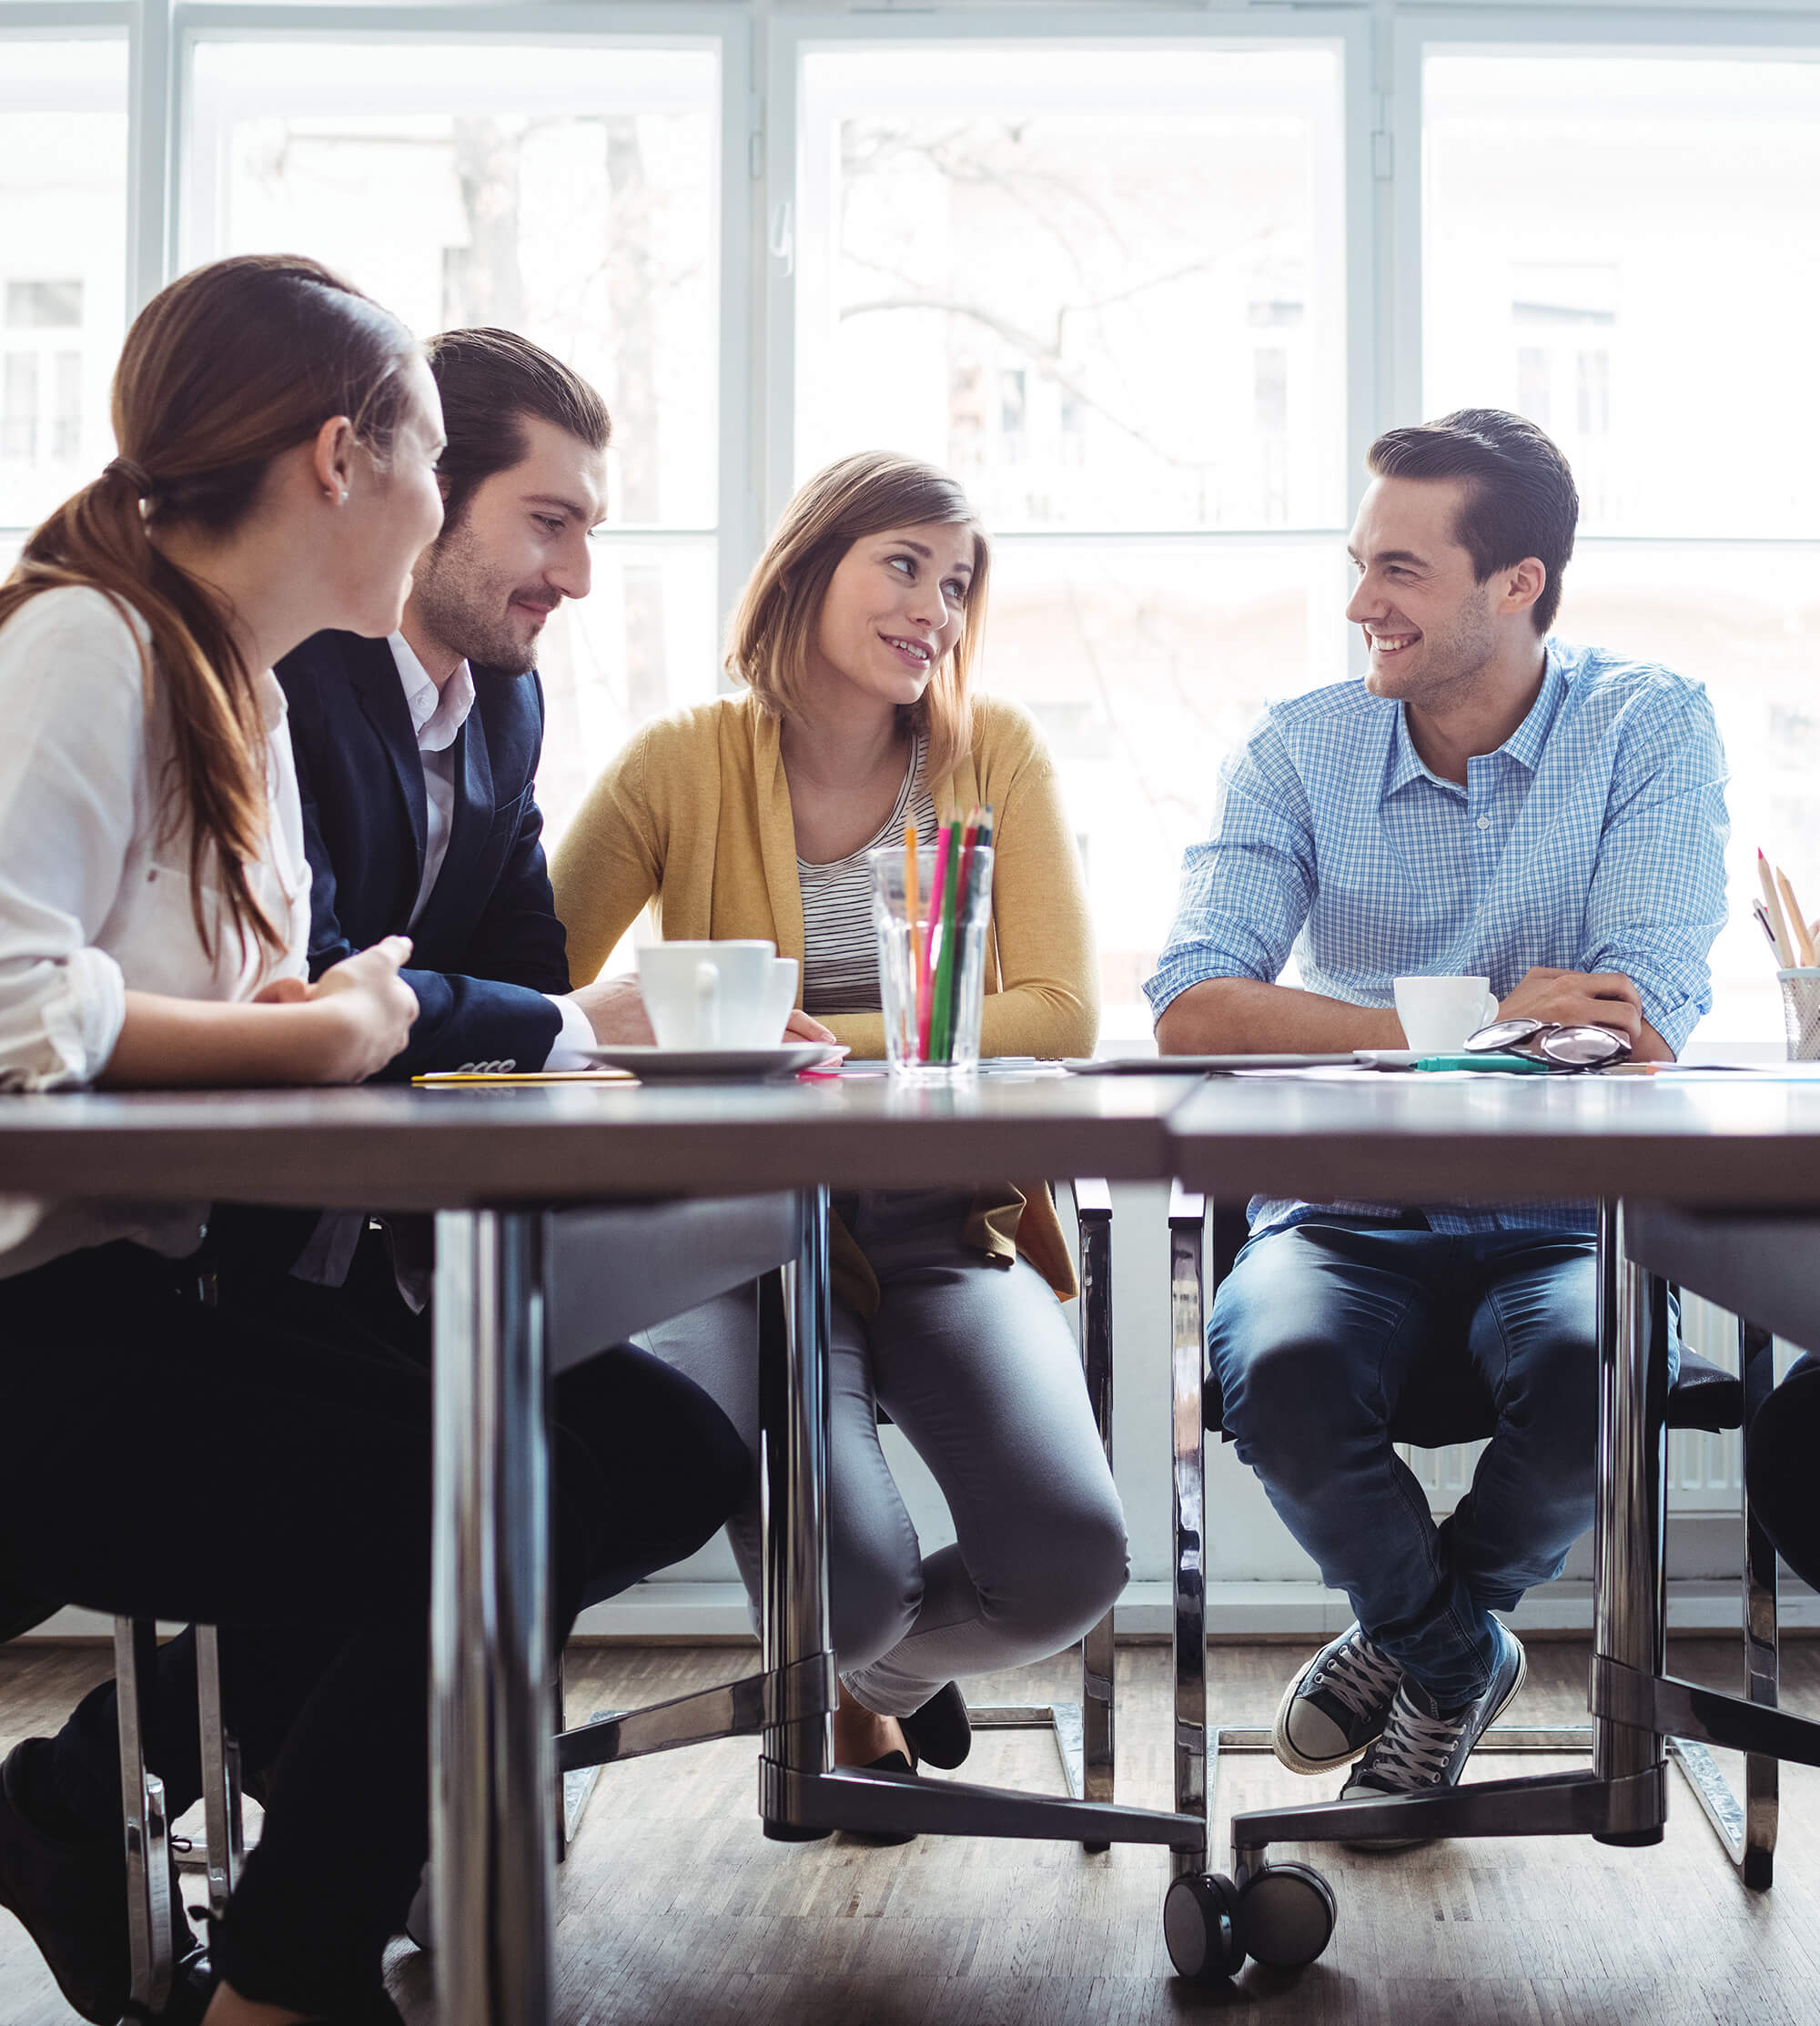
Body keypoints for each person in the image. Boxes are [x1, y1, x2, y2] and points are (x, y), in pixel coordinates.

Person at [0, 257, 743, 2026]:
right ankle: (284, 1977)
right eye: (431, 468)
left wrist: (327, 1016)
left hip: (169, 1298)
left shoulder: (231, 687)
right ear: (346, 461)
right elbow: (15, 1007)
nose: (437, 519)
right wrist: (340, 1022)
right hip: (48, 1337)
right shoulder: (82, 644)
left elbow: (272, 1004)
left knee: (603, 1460)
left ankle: (230, 1932)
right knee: (490, 1508)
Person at [1148, 409, 1728, 1837]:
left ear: (1518, 583)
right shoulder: (1299, 750)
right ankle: (1459, 1654)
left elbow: (1640, 1010)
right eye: (1360, 563)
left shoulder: (1649, 723)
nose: (1361, 604)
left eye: (1400, 569)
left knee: (1603, 1362)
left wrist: (1479, 1023)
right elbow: (1195, 1004)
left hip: (1566, 1220)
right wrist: (1472, 1027)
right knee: (1275, 1368)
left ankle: (1413, 1637)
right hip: (1341, 1211)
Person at [551, 451, 1128, 1789]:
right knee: (847, 1593)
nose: (936, 605)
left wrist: (782, 1037)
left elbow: (1055, 1013)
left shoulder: (996, 756)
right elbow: (532, 997)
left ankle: (877, 1687)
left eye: (958, 581)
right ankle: (853, 1670)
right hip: (741, 1240)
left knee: (1067, 1567)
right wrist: (658, 1022)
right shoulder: (678, 764)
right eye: (904, 565)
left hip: (942, 1224)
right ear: (809, 564)